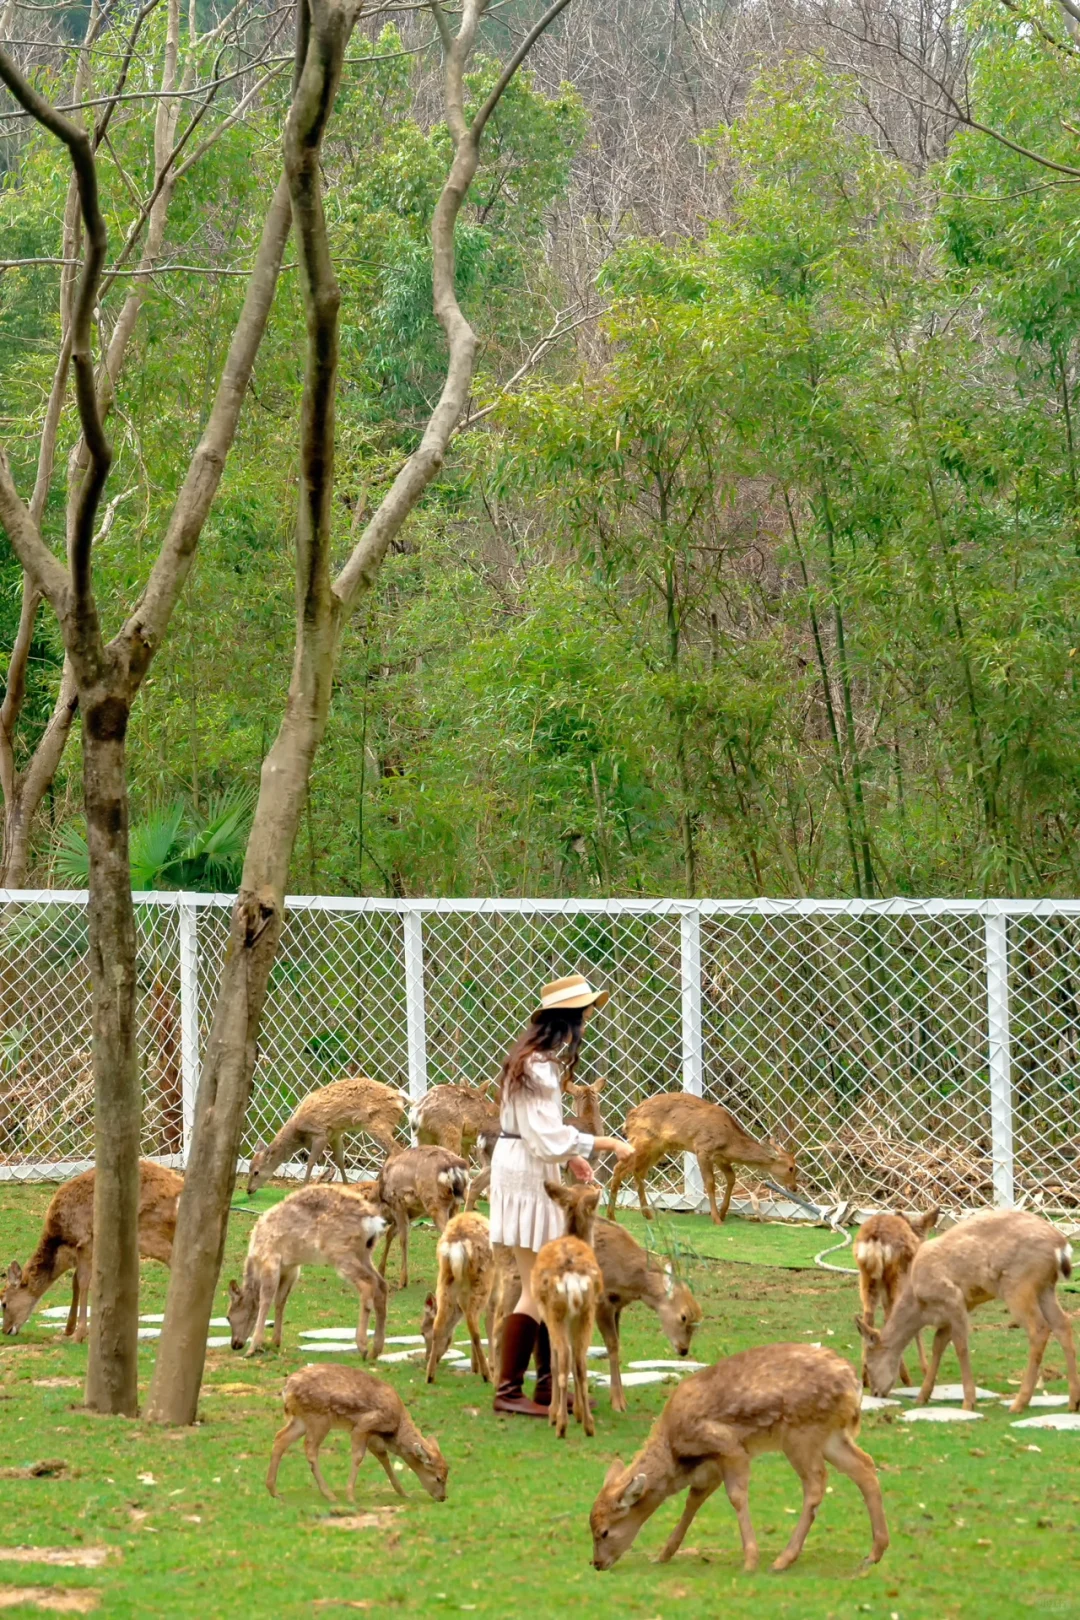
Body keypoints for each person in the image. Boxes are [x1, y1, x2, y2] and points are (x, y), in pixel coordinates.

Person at [489, 973, 633, 1416]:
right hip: (527, 1171)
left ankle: (548, 1386)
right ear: (569, 1018)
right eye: (585, 1013)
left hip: (525, 1163)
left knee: (540, 1280)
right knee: (537, 1284)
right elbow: (546, 1137)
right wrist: (605, 1144)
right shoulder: (538, 1067)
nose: (588, 1020)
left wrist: (571, 1158)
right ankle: (509, 1392)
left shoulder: (533, 1060)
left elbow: (541, 1133)